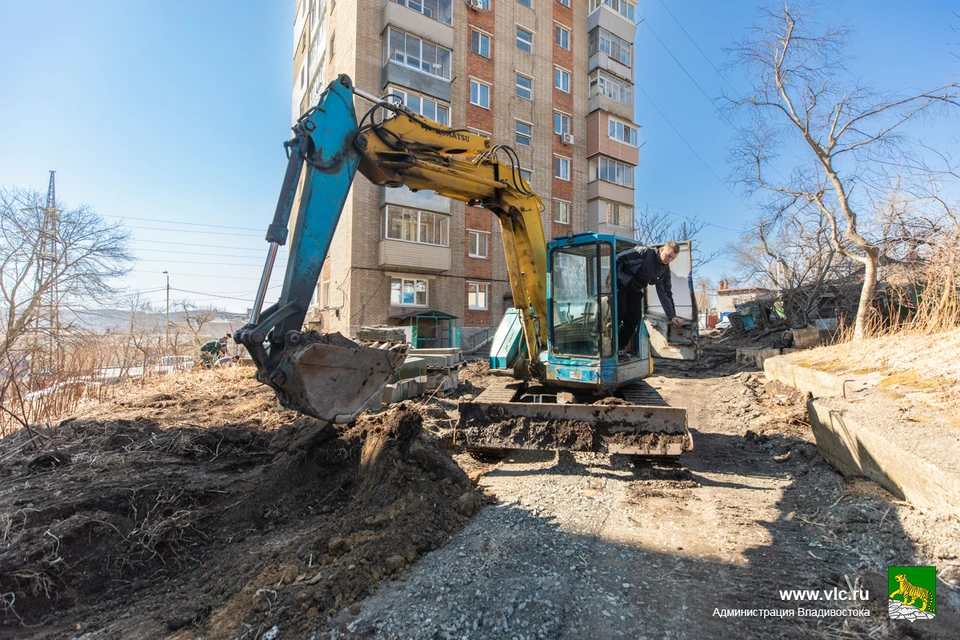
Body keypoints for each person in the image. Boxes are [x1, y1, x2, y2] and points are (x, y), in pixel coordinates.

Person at [615, 240, 686, 354]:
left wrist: (672, 316)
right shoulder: (644, 253)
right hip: (620, 284)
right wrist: (612, 277)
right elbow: (618, 258)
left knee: (634, 319)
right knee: (620, 312)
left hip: (635, 291)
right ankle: (606, 344)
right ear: (662, 249)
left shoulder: (664, 271)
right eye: (668, 255)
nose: (669, 259)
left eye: (672, 258)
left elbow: (665, 293)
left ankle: (618, 348)